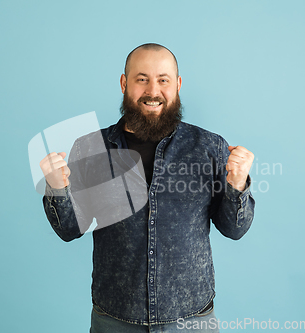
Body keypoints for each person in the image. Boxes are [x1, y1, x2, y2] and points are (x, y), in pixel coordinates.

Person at [40, 43, 255, 332]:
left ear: (177, 85)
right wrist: (56, 188)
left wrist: (237, 184)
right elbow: (69, 230)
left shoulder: (208, 147)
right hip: (114, 319)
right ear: (124, 83)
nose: (153, 91)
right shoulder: (91, 149)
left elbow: (234, 229)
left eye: (163, 80)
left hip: (191, 319)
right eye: (142, 79)